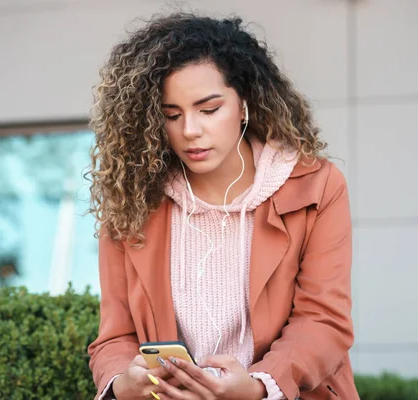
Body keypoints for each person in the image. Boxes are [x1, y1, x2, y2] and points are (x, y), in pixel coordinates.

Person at [86, 12, 359, 400]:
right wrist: (123, 384)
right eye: (171, 115)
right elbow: (115, 337)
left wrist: (258, 386)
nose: (190, 131)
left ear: (243, 103)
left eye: (209, 109)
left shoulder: (316, 187)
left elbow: (324, 320)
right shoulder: (132, 199)